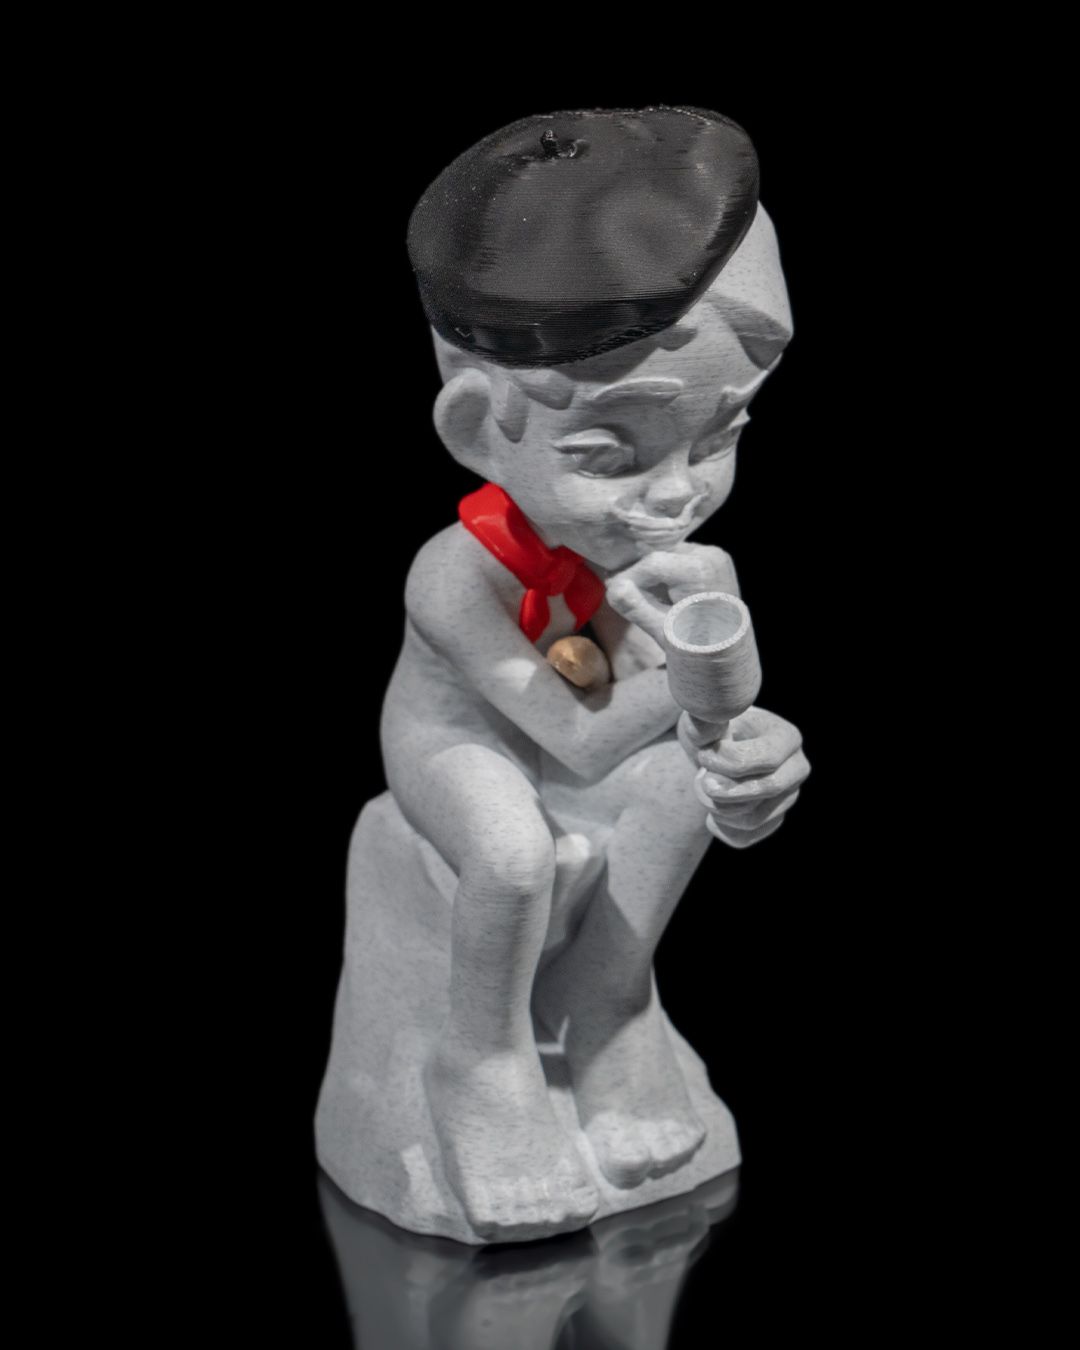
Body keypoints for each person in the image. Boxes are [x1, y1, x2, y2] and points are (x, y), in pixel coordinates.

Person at [318, 107, 810, 1243]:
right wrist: (702, 686)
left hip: (584, 733)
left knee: (677, 792)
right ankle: (481, 1058)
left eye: (720, 435)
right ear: (475, 428)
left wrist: (744, 757)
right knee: (510, 850)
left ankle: (609, 1002)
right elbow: (576, 735)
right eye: (608, 453)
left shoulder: (668, 563)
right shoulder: (453, 574)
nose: (677, 493)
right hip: (458, 748)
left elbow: (691, 733)